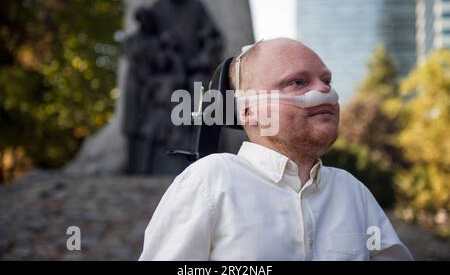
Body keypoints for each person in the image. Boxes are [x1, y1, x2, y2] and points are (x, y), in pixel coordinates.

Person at [139, 38, 413, 260]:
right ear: (248, 111)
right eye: (298, 82)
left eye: (326, 81)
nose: (326, 92)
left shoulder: (353, 192)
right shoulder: (210, 181)